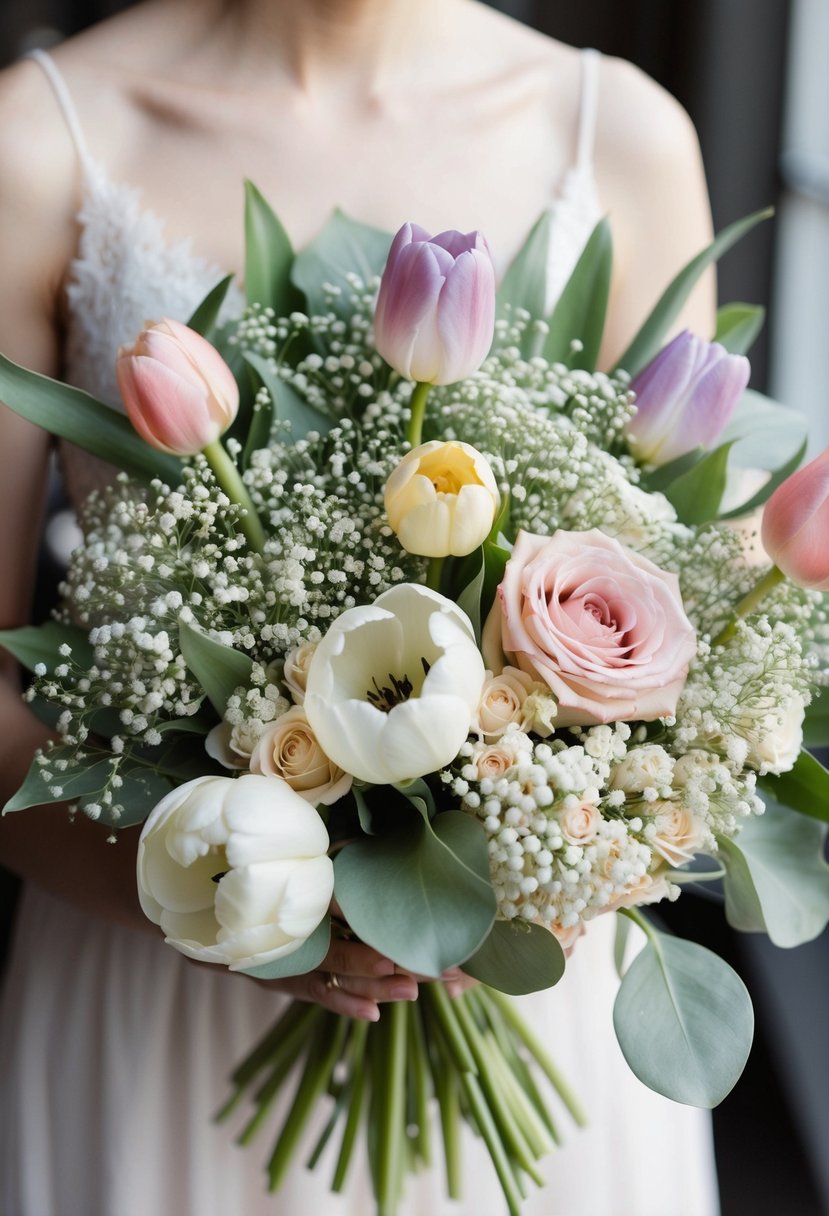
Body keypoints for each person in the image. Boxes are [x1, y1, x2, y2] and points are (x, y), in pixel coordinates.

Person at [0, 2, 719, 1212]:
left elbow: (702, 642)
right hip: (165, 970)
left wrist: (552, 845)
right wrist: (254, 902)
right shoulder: (40, 141)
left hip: (536, 1014)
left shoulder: (621, 135)